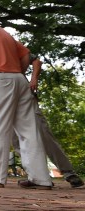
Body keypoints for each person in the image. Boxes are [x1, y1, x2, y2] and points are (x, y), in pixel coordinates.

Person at [0, 3, 52, 189]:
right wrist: (16, 72)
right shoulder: (4, 32)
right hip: (19, 80)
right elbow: (26, 55)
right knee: (29, 131)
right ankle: (41, 178)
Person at [10, 54, 84, 188]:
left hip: (25, 98)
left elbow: (36, 61)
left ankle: (68, 172)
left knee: (44, 135)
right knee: (16, 141)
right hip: (7, 102)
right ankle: (36, 176)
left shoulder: (11, 47)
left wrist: (34, 79)